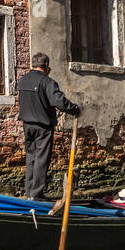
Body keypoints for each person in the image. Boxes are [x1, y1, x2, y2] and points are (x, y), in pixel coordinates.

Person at [16, 53, 80, 201]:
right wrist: (75, 109)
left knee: (31, 158)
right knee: (41, 159)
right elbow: (60, 102)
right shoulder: (47, 82)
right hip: (43, 126)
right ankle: (36, 194)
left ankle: (30, 192)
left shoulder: (23, 81)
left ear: (32, 64)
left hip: (27, 125)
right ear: (47, 67)